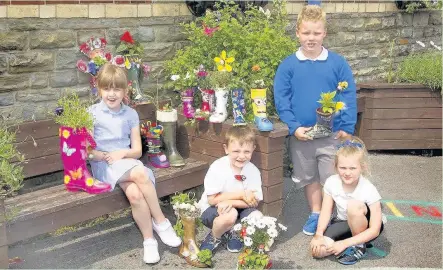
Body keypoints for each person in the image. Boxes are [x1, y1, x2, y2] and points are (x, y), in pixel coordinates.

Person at [273, 5, 357, 235]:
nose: (311, 38)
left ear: (324, 34)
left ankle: (334, 216)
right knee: (308, 178)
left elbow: (347, 93)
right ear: (298, 33)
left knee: (331, 178)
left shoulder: (337, 63)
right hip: (302, 135)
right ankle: (316, 213)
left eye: (316, 33)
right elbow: (282, 98)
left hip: (331, 135)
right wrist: (293, 126)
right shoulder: (288, 65)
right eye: (307, 33)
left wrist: (347, 126)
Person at [88, 63, 181, 264]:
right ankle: (161, 222)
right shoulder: (92, 113)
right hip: (104, 165)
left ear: (125, 90)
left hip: (126, 161)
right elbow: (87, 151)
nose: (111, 94)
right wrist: (103, 155)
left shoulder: (130, 114)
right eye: (107, 89)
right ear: (99, 89)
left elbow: (137, 151)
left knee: (135, 194)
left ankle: (149, 241)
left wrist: (122, 152)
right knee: (140, 174)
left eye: (117, 89)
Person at [309, 137, 385, 265]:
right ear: (336, 166)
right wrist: (318, 234)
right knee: (317, 251)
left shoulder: (369, 189)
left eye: (352, 168)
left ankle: (359, 245)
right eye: (343, 168)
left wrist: (343, 243)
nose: (347, 173)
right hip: (343, 223)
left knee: (353, 206)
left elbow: (375, 230)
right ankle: (350, 242)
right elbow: (326, 211)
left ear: (362, 167)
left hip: (365, 226)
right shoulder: (332, 182)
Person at [198, 125, 264, 253]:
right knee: (231, 214)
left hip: (237, 206)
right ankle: (214, 237)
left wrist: (230, 202)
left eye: (246, 152)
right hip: (212, 209)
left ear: (253, 149)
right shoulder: (218, 167)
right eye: (236, 151)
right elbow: (212, 200)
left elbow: (254, 201)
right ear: (226, 149)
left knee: (257, 216)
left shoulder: (253, 170)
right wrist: (241, 194)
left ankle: (235, 232)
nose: (241, 156)